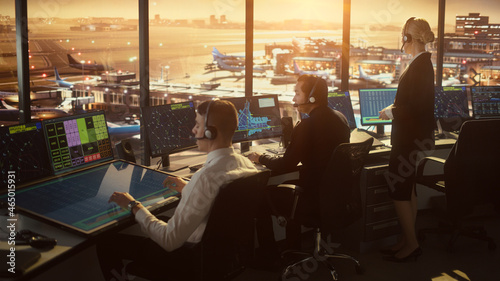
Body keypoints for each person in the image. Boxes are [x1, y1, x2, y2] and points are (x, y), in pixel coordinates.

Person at [97, 100, 258, 280]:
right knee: (163, 218)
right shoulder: (247, 165)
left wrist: (133, 205)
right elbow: (219, 200)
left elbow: (169, 240)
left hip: (189, 258)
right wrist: (188, 188)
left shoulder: (205, 177)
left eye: (197, 125)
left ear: (210, 132)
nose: (193, 130)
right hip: (221, 258)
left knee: (106, 243)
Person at [247, 74, 350, 250]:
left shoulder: (307, 126)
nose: (293, 98)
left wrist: (260, 158)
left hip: (313, 197)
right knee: (291, 186)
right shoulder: (340, 117)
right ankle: (293, 250)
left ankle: (272, 257)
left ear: (311, 97)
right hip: (336, 195)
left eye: (296, 93)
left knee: (261, 196)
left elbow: (286, 164)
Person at [378, 17, 435, 262]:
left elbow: (418, 107)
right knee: (407, 189)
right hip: (411, 138)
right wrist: (395, 106)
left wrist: (391, 111)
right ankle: (407, 238)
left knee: (398, 191)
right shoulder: (419, 63)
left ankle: (411, 244)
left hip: (408, 140)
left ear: (407, 38)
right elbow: (413, 101)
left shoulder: (421, 65)